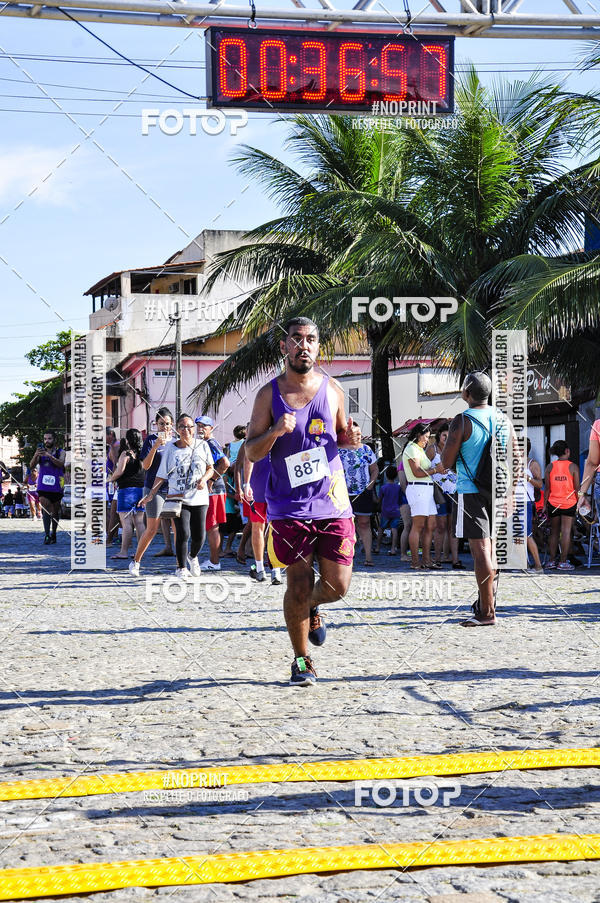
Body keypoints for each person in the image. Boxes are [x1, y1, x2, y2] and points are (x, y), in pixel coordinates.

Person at [245, 317, 361, 687]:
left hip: (333, 503)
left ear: (318, 346)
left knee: (338, 586)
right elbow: (251, 450)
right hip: (288, 506)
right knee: (296, 584)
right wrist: (277, 430)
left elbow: (340, 438)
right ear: (284, 347)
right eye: (296, 339)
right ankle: (301, 660)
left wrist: (352, 438)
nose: (304, 346)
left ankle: (311, 606)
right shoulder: (269, 395)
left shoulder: (334, 390)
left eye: (311, 339)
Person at [441, 372, 510, 626]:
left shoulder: (462, 420)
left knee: (480, 551)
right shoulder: (503, 419)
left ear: (466, 394)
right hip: (498, 487)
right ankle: (486, 600)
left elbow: (447, 462)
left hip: (471, 490)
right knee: (490, 548)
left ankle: (486, 611)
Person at [141, 413, 213, 579]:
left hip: (199, 497)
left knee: (199, 536)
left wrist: (203, 479)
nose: (186, 430)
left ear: (194, 430)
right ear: (177, 429)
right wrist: (151, 494)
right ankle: (181, 568)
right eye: (182, 426)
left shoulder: (202, 446)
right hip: (177, 496)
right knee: (182, 532)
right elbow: (161, 474)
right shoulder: (170, 448)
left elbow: (211, 468)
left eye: (189, 427)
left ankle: (192, 556)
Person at [128, 408, 176, 576]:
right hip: (153, 489)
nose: (165, 427)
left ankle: (181, 566)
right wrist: (155, 446)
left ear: (172, 425)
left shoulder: (177, 441)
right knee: (152, 528)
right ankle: (136, 561)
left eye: (168, 424)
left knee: (178, 527)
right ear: (156, 424)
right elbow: (145, 466)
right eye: (161, 424)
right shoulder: (150, 440)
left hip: (173, 489)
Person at [402, 423, 445, 570]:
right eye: (426, 437)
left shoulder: (419, 449)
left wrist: (437, 470)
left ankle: (426, 559)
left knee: (431, 525)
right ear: (418, 435)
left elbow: (424, 470)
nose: (427, 440)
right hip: (418, 488)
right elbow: (417, 472)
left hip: (427, 489)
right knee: (418, 525)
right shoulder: (411, 448)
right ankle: (415, 561)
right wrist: (435, 470)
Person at [240, 443, 282, 585]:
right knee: (274, 528)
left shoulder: (257, 433)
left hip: (260, 486)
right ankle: (274, 570)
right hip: (276, 487)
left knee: (259, 528)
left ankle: (260, 569)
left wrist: (246, 484)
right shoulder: (282, 432)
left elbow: (248, 459)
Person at [195, 416, 230, 571]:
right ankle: (213, 560)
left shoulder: (210, 443)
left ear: (211, 428)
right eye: (198, 426)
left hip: (213, 490)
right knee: (211, 526)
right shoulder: (206, 443)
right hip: (213, 489)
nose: (200, 429)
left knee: (212, 526)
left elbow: (225, 463)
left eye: (204, 426)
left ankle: (214, 562)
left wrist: (212, 479)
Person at [427, 424, 463, 569]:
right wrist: (436, 470)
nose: (446, 439)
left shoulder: (455, 449)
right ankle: (437, 558)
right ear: (439, 436)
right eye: (444, 435)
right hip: (438, 490)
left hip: (454, 490)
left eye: (449, 436)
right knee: (440, 526)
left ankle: (455, 559)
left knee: (453, 526)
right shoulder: (431, 450)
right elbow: (423, 468)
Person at [338, 442, 379, 566]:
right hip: (343, 492)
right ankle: (347, 556)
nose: (356, 436)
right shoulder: (338, 449)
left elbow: (374, 469)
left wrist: (370, 486)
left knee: (364, 523)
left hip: (363, 492)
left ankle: (368, 557)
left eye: (358, 433)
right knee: (345, 525)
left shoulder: (366, 449)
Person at [108, 429, 146, 560]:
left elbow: (119, 472)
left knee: (126, 523)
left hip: (126, 490)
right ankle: (140, 552)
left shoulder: (126, 453)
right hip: (141, 490)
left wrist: (109, 479)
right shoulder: (143, 454)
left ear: (128, 440)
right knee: (139, 523)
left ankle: (123, 551)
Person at [544, 440, 579, 571]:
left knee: (554, 532)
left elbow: (547, 488)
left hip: (553, 503)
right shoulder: (573, 467)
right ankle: (563, 562)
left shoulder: (550, 467)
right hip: (569, 503)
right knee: (565, 532)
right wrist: (581, 501)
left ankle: (551, 561)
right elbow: (577, 488)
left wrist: (544, 505)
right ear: (567, 451)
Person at [30, 431, 66, 544]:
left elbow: (61, 464)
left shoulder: (61, 451)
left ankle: (53, 533)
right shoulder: (40, 453)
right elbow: (31, 466)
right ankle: (46, 535)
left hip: (57, 485)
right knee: (46, 508)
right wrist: (36, 455)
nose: (47, 441)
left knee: (55, 511)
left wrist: (49, 456)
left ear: (54, 440)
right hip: (43, 486)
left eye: (49, 438)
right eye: (45, 439)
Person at [375, 465, 403, 555]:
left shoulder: (383, 488)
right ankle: (393, 549)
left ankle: (377, 547)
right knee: (394, 530)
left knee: (381, 529)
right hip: (396, 511)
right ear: (396, 476)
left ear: (386, 476)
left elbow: (379, 500)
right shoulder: (398, 488)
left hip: (385, 511)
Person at [526, 438, 543, 572]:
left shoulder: (532, 464)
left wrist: (528, 478)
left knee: (526, 534)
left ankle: (538, 565)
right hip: (514, 502)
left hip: (526, 502)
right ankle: (525, 564)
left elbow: (540, 484)